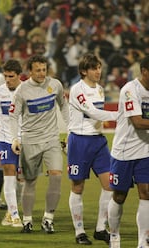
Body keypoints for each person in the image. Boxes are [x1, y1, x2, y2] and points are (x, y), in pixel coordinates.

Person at [9, 54, 69, 234]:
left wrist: (70, 130)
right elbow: (13, 116)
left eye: (44, 70)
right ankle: (27, 220)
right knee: (30, 181)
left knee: (57, 176)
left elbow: (64, 106)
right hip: (30, 141)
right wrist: (15, 138)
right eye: (38, 70)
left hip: (51, 138)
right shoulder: (22, 90)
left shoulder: (55, 85)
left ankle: (48, 219)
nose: (42, 74)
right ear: (29, 71)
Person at [67, 52, 117, 245]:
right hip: (80, 142)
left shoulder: (100, 89)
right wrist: (122, 114)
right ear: (83, 71)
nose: (98, 71)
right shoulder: (77, 89)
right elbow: (93, 112)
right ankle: (79, 232)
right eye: (94, 68)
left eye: (99, 67)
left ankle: (100, 228)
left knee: (110, 185)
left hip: (98, 141)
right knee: (78, 187)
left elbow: (97, 116)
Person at [108, 56, 149, 248]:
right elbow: (138, 122)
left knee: (146, 192)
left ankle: (143, 242)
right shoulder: (130, 90)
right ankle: (114, 235)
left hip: (145, 151)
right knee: (119, 196)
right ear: (144, 71)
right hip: (124, 152)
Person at [0, 59, 23, 228]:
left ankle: (13, 209)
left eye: (11, 76)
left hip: (24, 140)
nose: (8, 79)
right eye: (5, 76)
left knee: (23, 179)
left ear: (19, 75)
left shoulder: (27, 90)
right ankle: (15, 214)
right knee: (9, 174)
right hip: (5, 139)